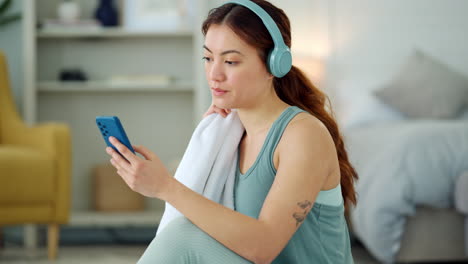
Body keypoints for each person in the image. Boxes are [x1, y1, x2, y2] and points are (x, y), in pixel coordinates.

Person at [105, 0, 358, 263]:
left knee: (182, 235)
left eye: (231, 61)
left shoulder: (303, 135)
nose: (214, 74)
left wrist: (164, 187)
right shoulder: (229, 134)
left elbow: (264, 246)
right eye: (208, 58)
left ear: (275, 65)